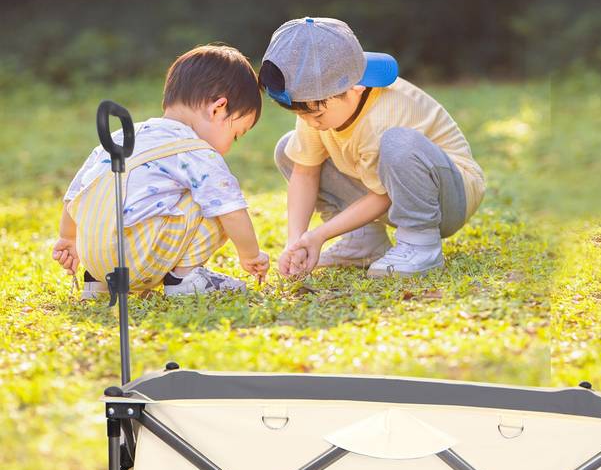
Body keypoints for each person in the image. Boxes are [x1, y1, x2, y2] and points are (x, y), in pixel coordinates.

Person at [260, 17, 485, 278]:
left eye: (317, 116)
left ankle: (420, 245)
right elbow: (304, 173)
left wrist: (319, 236)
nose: (310, 123)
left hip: (448, 198)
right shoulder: (318, 102)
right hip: (390, 191)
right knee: (288, 150)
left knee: (398, 143)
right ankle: (363, 240)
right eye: (302, 114)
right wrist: (296, 242)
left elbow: (383, 196)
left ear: (355, 88)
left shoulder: (383, 116)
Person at [53, 44, 269, 298]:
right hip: (138, 262)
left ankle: (96, 284)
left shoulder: (120, 136)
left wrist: (67, 239)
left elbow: (75, 195)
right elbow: (231, 210)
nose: (230, 147)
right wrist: (251, 254)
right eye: (236, 134)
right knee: (218, 199)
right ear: (217, 109)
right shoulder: (196, 150)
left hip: (95, 262)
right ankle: (183, 279)